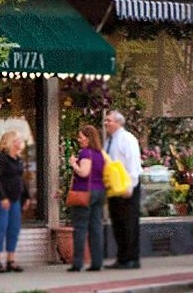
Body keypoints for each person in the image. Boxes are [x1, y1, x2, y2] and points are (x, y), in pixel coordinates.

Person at [102, 110, 144, 269]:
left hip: (127, 186)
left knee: (129, 223)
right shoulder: (109, 141)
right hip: (114, 187)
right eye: (105, 120)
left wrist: (130, 186)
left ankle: (132, 258)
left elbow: (133, 163)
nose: (106, 123)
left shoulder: (127, 139)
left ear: (119, 122)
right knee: (118, 222)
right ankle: (122, 257)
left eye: (109, 120)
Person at [68, 125, 110, 272]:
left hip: (85, 192)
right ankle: (97, 262)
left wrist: (74, 164)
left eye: (81, 137)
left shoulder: (86, 153)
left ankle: (78, 263)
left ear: (88, 137)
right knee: (96, 228)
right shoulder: (100, 153)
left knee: (80, 228)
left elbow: (84, 172)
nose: (79, 139)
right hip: (100, 192)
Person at [0, 130, 29, 273]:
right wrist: (2, 197)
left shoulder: (17, 158)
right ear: (11, 141)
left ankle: (11, 260)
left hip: (15, 198)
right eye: (17, 139)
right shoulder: (0, 157)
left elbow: (20, 180)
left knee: (14, 229)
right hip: (1, 199)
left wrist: (26, 197)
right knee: (1, 228)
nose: (20, 141)